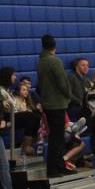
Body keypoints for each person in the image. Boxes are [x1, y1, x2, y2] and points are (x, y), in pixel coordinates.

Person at [37, 34, 71, 178]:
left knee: (56, 137)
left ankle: (59, 165)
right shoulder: (55, 61)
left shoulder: (41, 61)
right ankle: (54, 168)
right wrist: (69, 95)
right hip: (57, 103)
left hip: (47, 103)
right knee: (57, 138)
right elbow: (62, 83)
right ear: (54, 46)